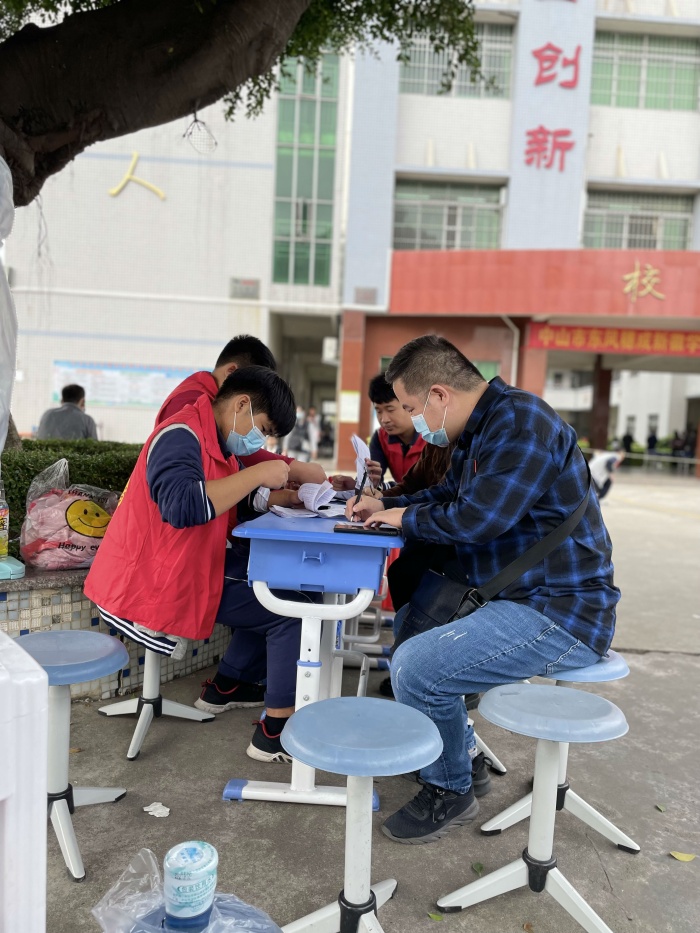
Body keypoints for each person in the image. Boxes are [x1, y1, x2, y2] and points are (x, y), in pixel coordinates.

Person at [348, 336, 620, 845]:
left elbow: (476, 519)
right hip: (516, 596)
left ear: (439, 395)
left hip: (562, 610)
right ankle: (465, 757)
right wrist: (387, 505)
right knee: (410, 627)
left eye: (410, 408)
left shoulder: (522, 425)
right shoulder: (484, 427)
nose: (411, 419)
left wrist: (404, 518)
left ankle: (450, 788)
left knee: (416, 667)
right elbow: (451, 494)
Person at [85, 366, 307, 762]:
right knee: (290, 608)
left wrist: (281, 498)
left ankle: (228, 685)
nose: (263, 441)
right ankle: (275, 734)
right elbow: (184, 506)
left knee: (273, 584)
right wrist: (260, 472)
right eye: (264, 429)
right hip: (151, 578)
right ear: (242, 404)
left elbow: (229, 496)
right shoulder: (180, 435)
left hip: (181, 565)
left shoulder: (213, 437)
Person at [157, 335, 325, 486]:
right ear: (232, 373)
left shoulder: (219, 416)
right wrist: (290, 469)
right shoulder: (186, 414)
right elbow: (186, 499)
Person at [368, 374, 426, 485]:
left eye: (390, 410)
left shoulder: (434, 437)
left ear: (410, 406)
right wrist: (367, 483)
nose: (384, 420)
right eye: (379, 411)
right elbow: (372, 482)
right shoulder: (380, 438)